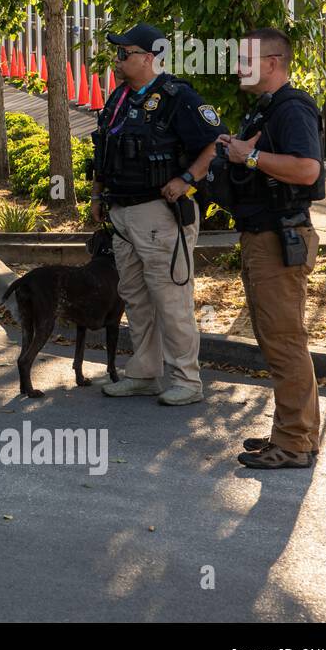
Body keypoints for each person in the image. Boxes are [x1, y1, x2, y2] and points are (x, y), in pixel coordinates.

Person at [91, 22, 220, 406]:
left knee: (170, 298)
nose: (116, 59)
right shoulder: (119, 99)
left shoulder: (178, 97)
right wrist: (97, 193)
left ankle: (187, 379)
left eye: (124, 53)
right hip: (122, 213)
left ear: (149, 58)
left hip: (159, 214)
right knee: (135, 296)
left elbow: (216, 143)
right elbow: (104, 150)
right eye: (117, 52)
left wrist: (186, 179)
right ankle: (145, 372)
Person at [221, 28, 324, 469]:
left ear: (272, 62)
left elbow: (307, 169)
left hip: (280, 238)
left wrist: (249, 157)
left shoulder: (292, 107)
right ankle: (293, 432)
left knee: (284, 341)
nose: (237, 66)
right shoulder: (267, 109)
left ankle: (295, 443)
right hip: (265, 236)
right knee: (277, 338)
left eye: (246, 58)